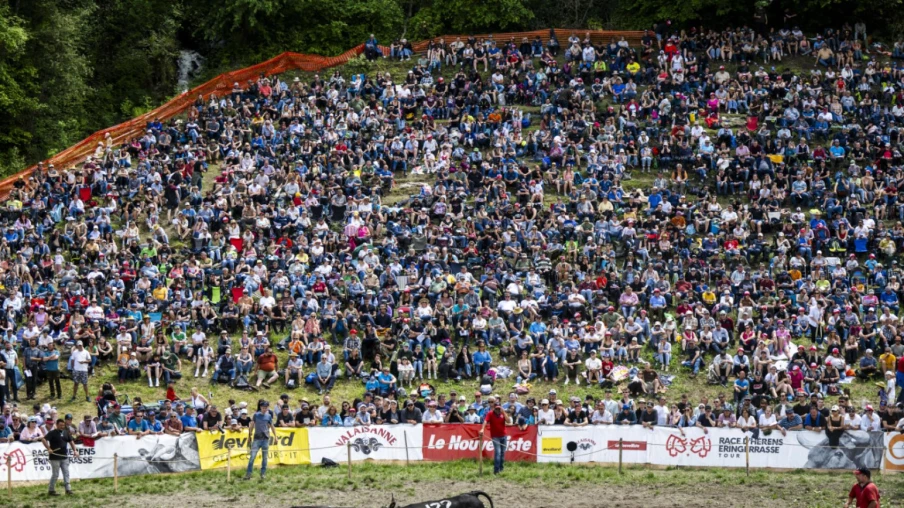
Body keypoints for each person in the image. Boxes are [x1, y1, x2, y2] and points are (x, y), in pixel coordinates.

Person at [41, 418, 79, 496]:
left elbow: (71, 441)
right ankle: (51, 490)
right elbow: (43, 440)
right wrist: (49, 448)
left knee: (66, 473)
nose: (62, 426)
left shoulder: (66, 432)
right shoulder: (52, 433)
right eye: (60, 425)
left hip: (64, 456)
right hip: (55, 457)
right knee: (55, 474)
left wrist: (75, 450)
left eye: (63, 425)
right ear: (57, 425)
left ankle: (68, 489)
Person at [245, 400, 276, 481]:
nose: (264, 409)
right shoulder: (256, 415)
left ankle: (263, 474)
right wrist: (249, 435)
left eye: (265, 408)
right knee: (252, 457)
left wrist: (276, 436)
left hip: (265, 439)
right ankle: (248, 474)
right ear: (260, 407)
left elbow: (272, 426)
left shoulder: (269, 416)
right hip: (257, 439)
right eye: (263, 407)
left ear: (267, 408)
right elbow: (251, 425)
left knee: (265, 458)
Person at [480, 400, 508, 475]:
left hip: (504, 436)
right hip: (495, 436)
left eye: (499, 408)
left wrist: (504, 412)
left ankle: (501, 469)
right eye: (496, 409)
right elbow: (485, 421)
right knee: (498, 452)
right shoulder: (490, 413)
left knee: (502, 453)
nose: (498, 410)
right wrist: (482, 429)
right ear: (494, 408)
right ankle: (496, 470)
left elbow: (508, 421)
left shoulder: (503, 413)